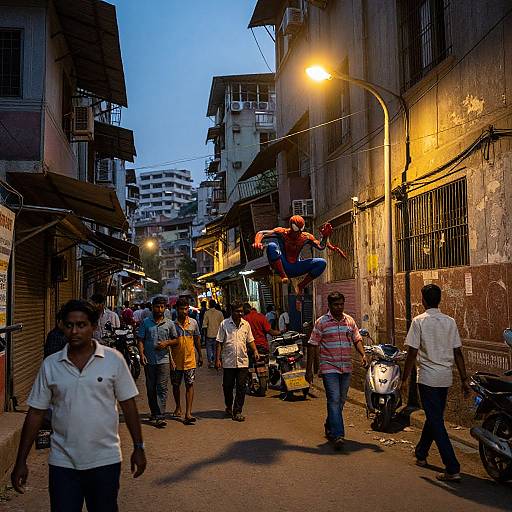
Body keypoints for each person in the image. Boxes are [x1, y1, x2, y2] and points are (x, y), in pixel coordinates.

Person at [11, 300, 146, 510]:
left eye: (81, 325)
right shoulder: (51, 365)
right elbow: (36, 413)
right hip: (62, 462)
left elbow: (129, 406)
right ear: (62, 326)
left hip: (105, 460)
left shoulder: (114, 360)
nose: (74, 331)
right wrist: (21, 460)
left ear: (93, 326)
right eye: (69, 325)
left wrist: (139, 447)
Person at [401, 284, 470, 482]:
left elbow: (412, 353)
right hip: (445, 378)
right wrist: (464, 379)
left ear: (423, 300)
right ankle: (421, 453)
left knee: (436, 421)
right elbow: (458, 352)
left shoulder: (418, 321)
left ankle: (452, 466)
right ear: (439, 300)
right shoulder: (450, 322)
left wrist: (404, 379)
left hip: (428, 378)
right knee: (434, 417)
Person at [306, 292, 367, 450]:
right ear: (330, 305)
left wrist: (363, 354)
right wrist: (309, 370)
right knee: (333, 399)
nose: (339, 307)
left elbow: (357, 339)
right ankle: (338, 435)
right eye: (336, 305)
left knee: (340, 401)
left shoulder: (349, 321)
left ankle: (330, 424)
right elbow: (312, 344)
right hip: (329, 367)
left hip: (346, 366)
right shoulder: (322, 322)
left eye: (341, 304)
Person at [253, 216, 347, 302]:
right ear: (291, 226)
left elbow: (320, 246)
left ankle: (301, 285)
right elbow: (262, 233)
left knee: (322, 263)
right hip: (282, 265)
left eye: (300, 230)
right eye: (295, 230)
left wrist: (325, 236)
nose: (297, 233)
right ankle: (283, 276)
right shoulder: (282, 232)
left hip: (295, 267)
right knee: (272, 246)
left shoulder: (305, 237)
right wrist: (257, 242)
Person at [216, 301, 260, 422]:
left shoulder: (246, 325)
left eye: (241, 311)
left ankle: (238, 411)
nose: (240, 313)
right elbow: (219, 342)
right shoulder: (224, 324)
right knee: (228, 387)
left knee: (241, 387)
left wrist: (255, 351)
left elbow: (250, 340)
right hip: (228, 361)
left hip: (242, 361)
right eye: (237, 311)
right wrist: (217, 359)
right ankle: (229, 406)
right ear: (232, 311)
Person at [137, 296, 177, 428]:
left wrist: (167, 343)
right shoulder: (145, 322)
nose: (159, 309)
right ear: (152, 307)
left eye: (162, 307)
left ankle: (160, 415)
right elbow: (140, 340)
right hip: (149, 360)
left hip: (164, 360)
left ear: (165, 308)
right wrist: (142, 354)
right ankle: (154, 412)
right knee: (150, 388)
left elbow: (176, 340)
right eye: (157, 307)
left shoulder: (169, 323)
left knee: (162, 387)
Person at [163, 298, 202, 425]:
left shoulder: (193, 323)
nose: (184, 311)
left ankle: (188, 413)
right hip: (176, 361)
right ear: (176, 309)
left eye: (186, 309)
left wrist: (200, 355)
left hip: (190, 361)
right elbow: (169, 344)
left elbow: (197, 340)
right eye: (181, 309)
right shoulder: (171, 325)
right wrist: (170, 360)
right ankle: (178, 407)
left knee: (190, 385)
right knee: (176, 385)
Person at [202, 300, 225, 368]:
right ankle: (216, 361)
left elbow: (204, 326)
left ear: (209, 305)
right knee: (216, 349)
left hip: (209, 334)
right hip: (218, 335)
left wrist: (205, 335)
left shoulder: (206, 313)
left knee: (209, 350)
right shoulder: (219, 313)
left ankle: (211, 363)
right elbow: (223, 325)